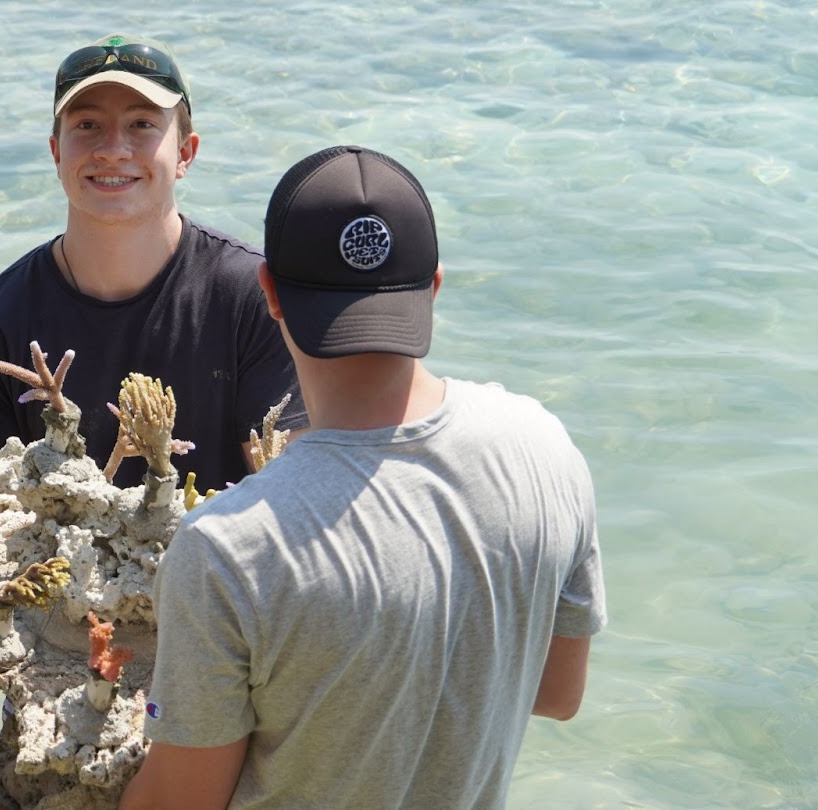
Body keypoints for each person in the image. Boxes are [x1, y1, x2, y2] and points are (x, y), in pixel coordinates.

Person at [122, 146, 607, 810]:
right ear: (433, 286)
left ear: (269, 293)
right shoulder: (546, 448)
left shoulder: (227, 549)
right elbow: (556, 694)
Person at [0, 34, 306, 491]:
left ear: (185, 153)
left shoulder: (256, 298)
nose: (113, 149)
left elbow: (292, 495)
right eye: (87, 125)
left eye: (142, 124)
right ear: (56, 152)